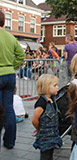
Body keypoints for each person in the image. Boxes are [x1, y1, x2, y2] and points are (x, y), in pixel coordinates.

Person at [0, 10, 25, 149]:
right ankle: (9, 142)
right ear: (4, 21)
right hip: (9, 74)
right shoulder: (10, 37)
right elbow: (21, 54)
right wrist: (13, 66)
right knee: (8, 108)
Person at [32, 74, 62, 160]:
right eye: (55, 85)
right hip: (45, 136)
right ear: (46, 87)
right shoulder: (41, 103)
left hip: (53, 134)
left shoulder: (53, 99)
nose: (57, 87)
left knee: (50, 154)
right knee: (45, 155)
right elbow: (35, 120)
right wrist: (39, 128)